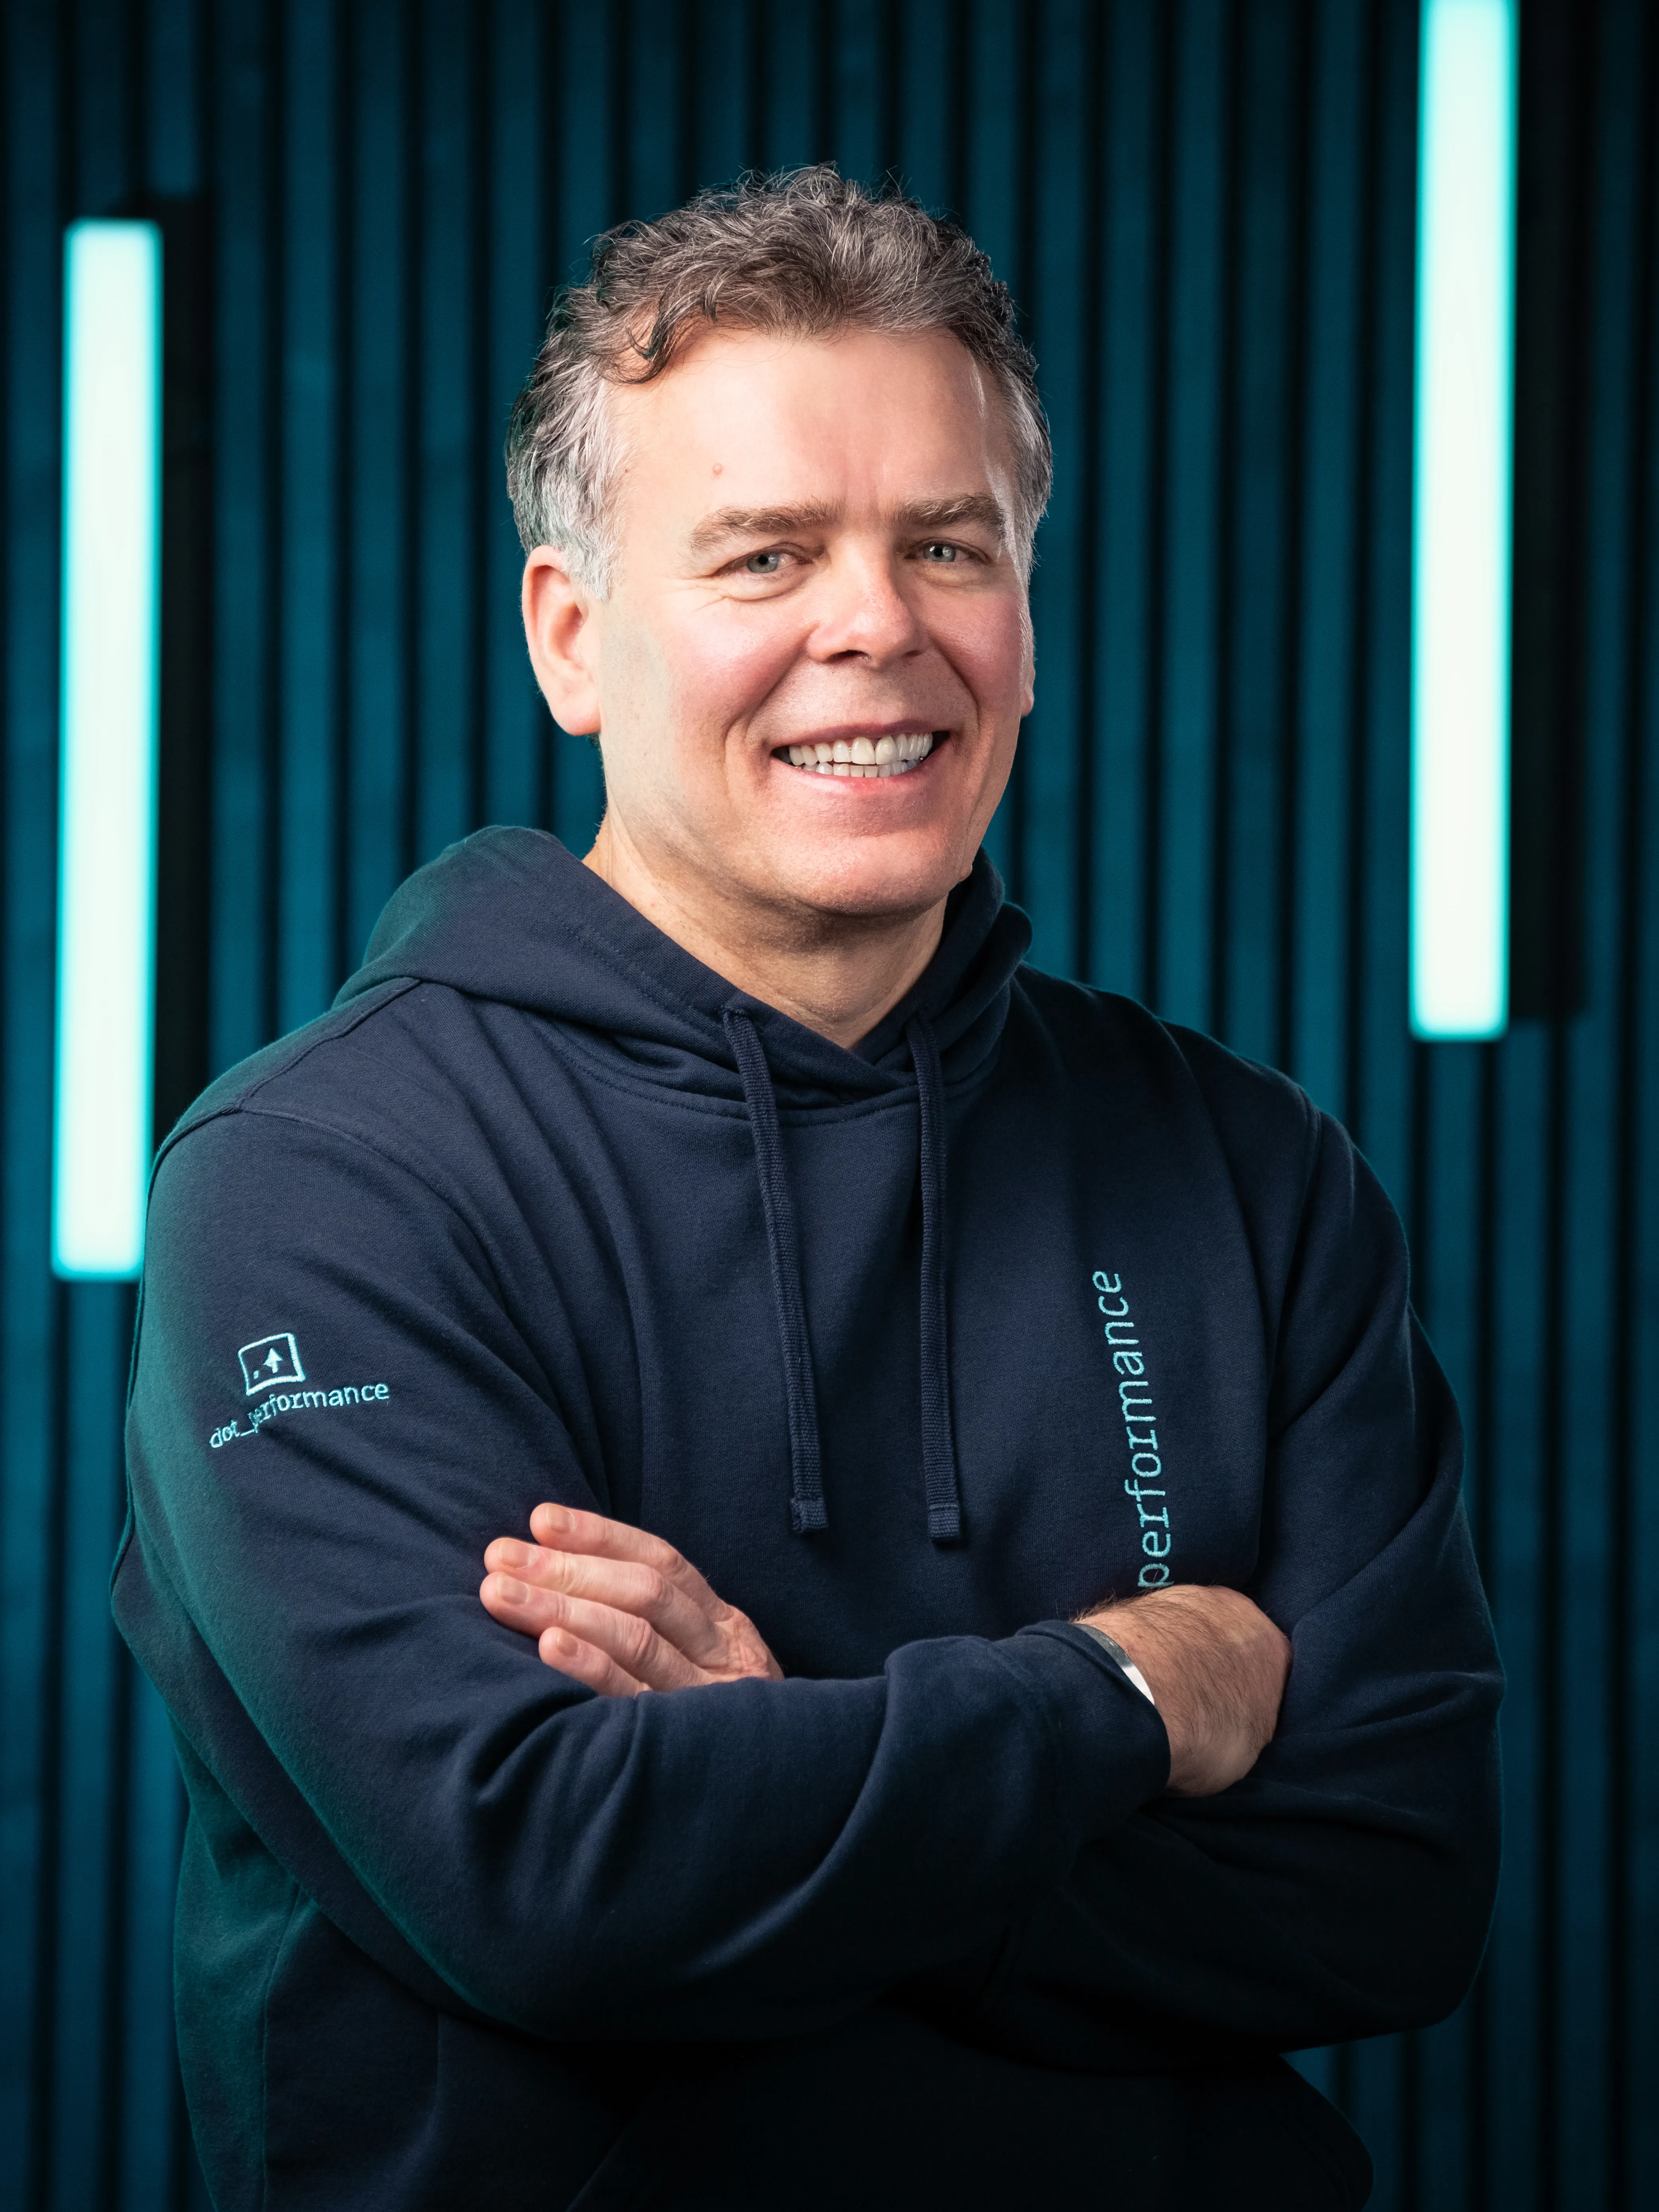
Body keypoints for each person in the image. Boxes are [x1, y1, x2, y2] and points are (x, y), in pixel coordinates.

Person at [116, 168, 1501, 2211]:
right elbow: (549, 1880)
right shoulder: (328, 1181)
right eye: (765, 554)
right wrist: (1127, 1692)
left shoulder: (1242, 1164)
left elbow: (1392, 1889)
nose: (875, 625)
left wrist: (786, 1773)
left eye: (947, 543)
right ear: (571, 638)